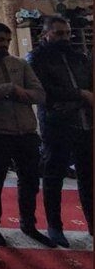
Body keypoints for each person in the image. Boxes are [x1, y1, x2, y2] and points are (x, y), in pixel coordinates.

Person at [0, 22, 54, 247]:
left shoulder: (20, 64)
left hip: (26, 130)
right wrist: (9, 89)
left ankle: (28, 224)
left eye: (7, 41)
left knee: (30, 180)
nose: (4, 44)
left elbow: (39, 94)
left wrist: (16, 93)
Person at [26, 16, 93, 247]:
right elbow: (45, 91)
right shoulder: (36, 58)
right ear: (45, 34)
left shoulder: (79, 57)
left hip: (85, 123)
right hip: (57, 124)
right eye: (58, 33)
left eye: (67, 33)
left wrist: (85, 95)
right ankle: (54, 226)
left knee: (88, 176)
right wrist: (80, 95)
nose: (64, 37)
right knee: (54, 176)